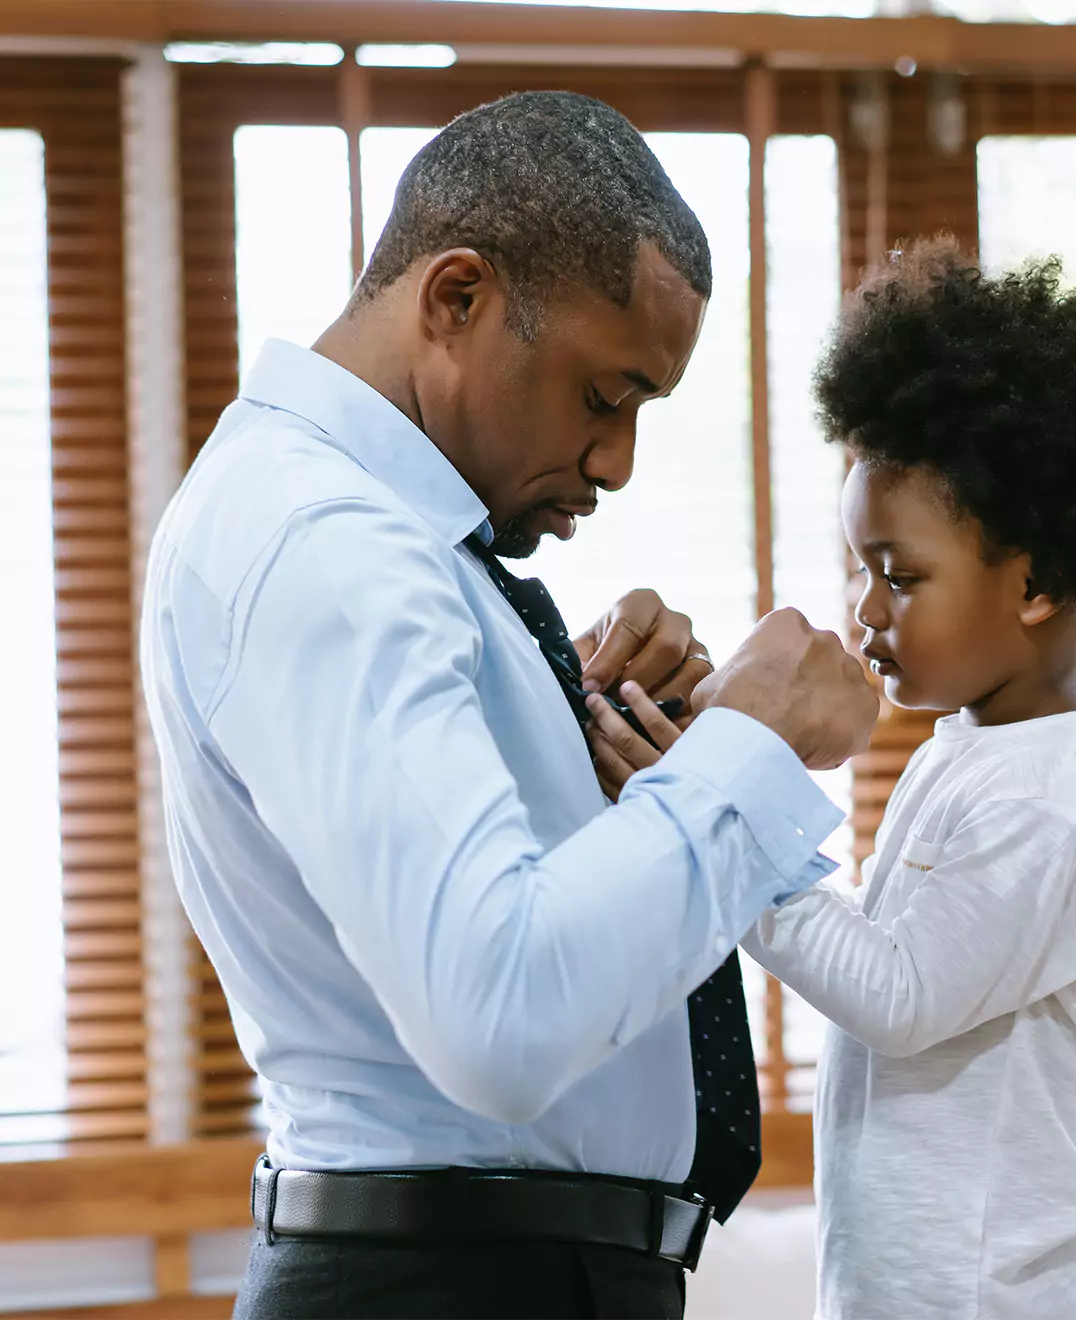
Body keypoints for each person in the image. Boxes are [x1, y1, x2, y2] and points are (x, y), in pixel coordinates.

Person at [139, 91, 878, 1320]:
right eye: (605, 397)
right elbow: (502, 1019)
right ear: (457, 298)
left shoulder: (377, 543)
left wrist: (587, 755)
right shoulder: (331, 545)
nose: (617, 464)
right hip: (452, 1281)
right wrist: (749, 746)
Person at [590, 239, 1076, 1320]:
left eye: (901, 575)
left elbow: (900, 994)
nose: (864, 609)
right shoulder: (977, 751)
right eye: (858, 569)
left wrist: (724, 820)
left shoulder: (1053, 793)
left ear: (1034, 581)